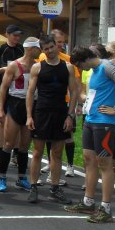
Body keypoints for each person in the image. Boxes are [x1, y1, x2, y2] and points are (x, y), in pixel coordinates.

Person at [26, 34, 80, 204]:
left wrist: (70, 115)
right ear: (42, 50)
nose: (49, 51)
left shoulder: (68, 67)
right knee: (37, 152)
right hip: (41, 112)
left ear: (57, 46)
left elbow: (74, 92)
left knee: (57, 153)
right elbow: (30, 93)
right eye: (46, 49)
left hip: (60, 113)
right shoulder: (37, 67)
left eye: (51, 47)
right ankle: (33, 186)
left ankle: (55, 188)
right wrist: (29, 116)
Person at [67, 46, 115, 222]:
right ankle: (88, 202)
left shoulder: (107, 66)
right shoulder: (94, 70)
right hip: (90, 120)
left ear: (86, 59)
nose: (80, 69)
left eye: (79, 65)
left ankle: (106, 209)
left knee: (105, 164)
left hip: (105, 122)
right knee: (89, 160)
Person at [0, 37, 41, 192]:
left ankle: (21, 178)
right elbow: (3, 88)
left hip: (32, 105)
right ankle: (2, 177)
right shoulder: (14, 66)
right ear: (30, 49)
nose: (40, 51)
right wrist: (0, 109)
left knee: (24, 145)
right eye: (38, 48)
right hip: (16, 104)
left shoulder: (38, 66)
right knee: (9, 143)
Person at [38, 28, 81, 183]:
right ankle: (50, 167)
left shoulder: (68, 61)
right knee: (46, 140)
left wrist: (75, 107)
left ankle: (69, 165)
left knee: (67, 137)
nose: (60, 45)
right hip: (46, 106)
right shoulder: (42, 57)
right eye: (58, 42)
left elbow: (76, 85)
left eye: (62, 42)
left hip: (65, 104)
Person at [0, 25, 24, 168]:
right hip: (4, 89)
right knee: (1, 121)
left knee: (19, 122)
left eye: (19, 35)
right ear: (7, 35)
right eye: (14, 35)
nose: (17, 38)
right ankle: (0, 154)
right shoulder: (1, 49)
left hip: (20, 90)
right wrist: (4, 69)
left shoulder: (22, 49)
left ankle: (16, 154)